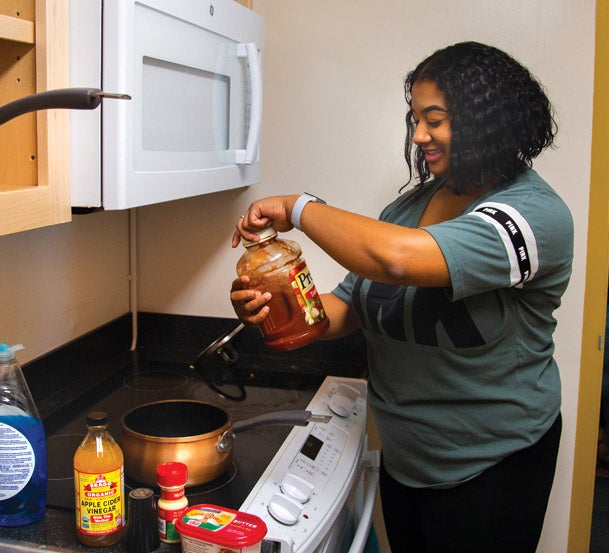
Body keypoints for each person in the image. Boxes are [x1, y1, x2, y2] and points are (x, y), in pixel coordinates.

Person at [230, 41, 572, 553]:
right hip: (407, 461)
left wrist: (299, 207)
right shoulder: (411, 206)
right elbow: (352, 302)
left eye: (434, 119)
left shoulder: (531, 216)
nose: (418, 135)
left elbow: (395, 259)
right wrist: (276, 308)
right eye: (415, 118)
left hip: (492, 469)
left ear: (487, 119)